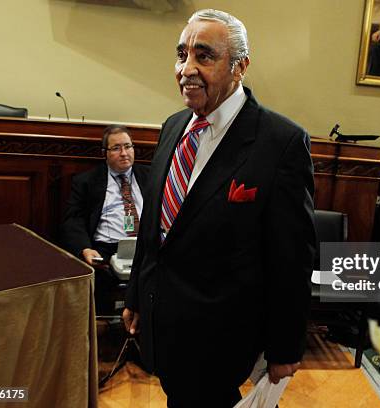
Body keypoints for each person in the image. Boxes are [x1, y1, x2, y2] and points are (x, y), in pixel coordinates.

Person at [122, 9, 315, 407]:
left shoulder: (280, 142)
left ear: (240, 67)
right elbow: (153, 226)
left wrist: (285, 348)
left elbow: (291, 257)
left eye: (204, 56)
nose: (186, 69)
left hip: (222, 337)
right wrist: (136, 297)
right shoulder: (173, 126)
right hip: (163, 323)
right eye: (182, 54)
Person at [61, 125, 149, 265]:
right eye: (116, 148)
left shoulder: (151, 176)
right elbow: (74, 219)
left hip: (146, 247)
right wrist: (85, 248)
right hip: (107, 250)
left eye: (128, 146)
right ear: (104, 153)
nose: (124, 153)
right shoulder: (86, 181)